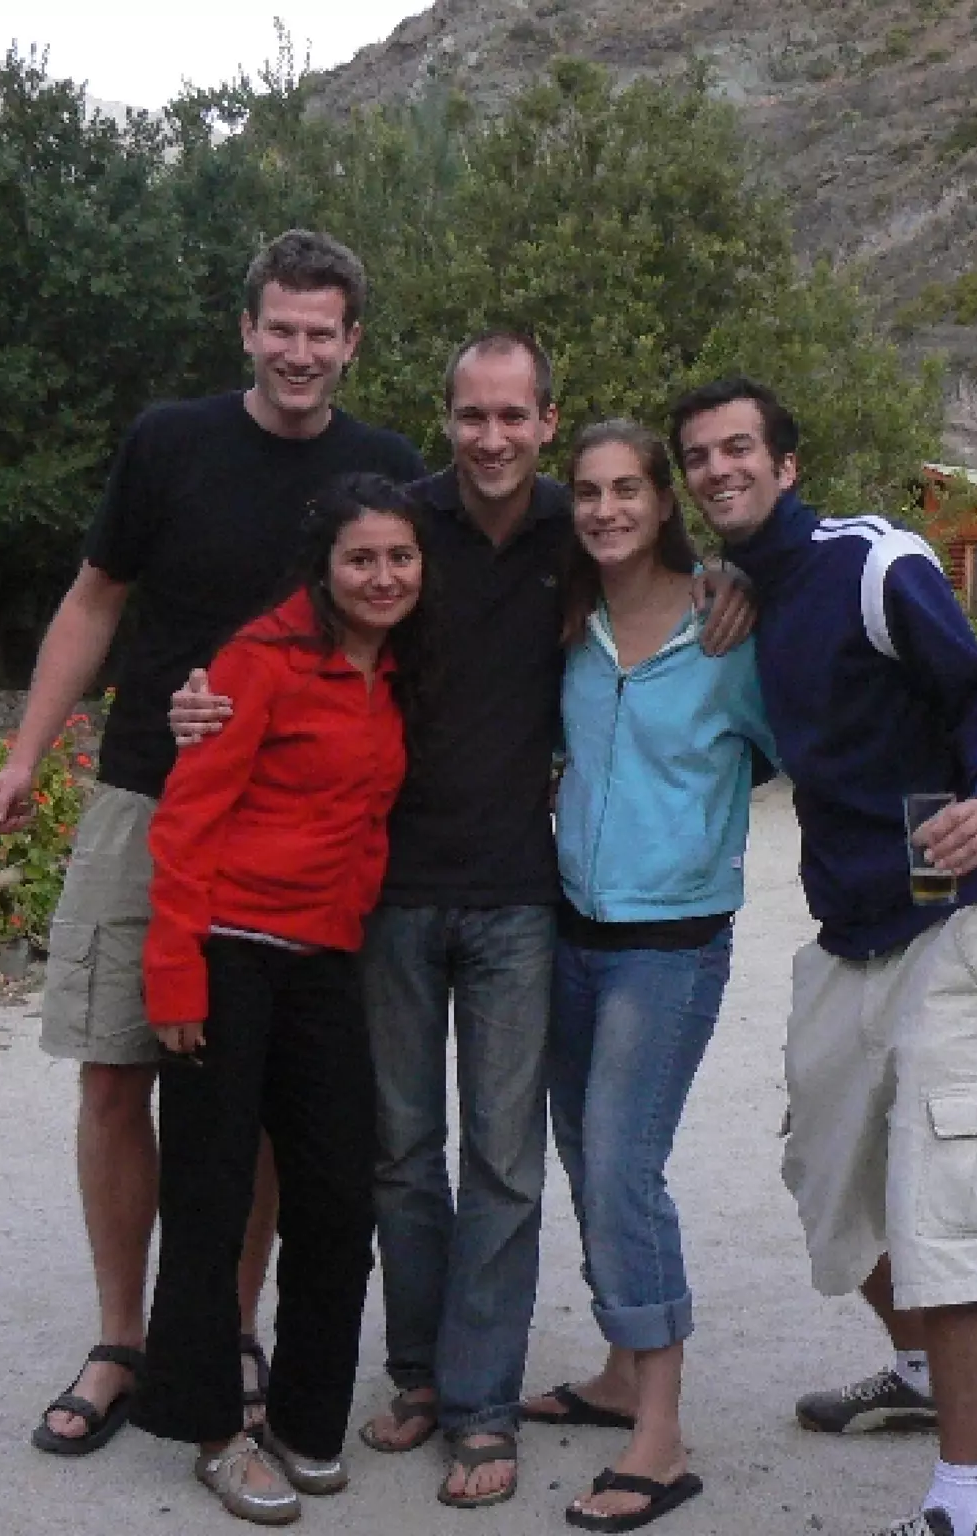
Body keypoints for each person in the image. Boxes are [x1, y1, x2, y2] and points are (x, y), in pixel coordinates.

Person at [173, 333, 757, 1509]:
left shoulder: (572, 529)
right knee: (400, 1158)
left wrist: (733, 575)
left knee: (502, 1163)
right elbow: (298, 616)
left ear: (545, 419)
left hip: (516, 898)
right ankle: (422, 1374)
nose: (491, 438)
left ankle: (482, 1404)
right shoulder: (406, 525)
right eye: (471, 416)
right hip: (389, 894)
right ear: (445, 419)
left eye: (512, 416)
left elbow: (664, 553)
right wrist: (204, 691)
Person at [0, 229, 425, 1459]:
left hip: (292, 838)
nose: (298, 352)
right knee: (113, 1072)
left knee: (262, 1103)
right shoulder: (169, 442)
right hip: (146, 795)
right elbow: (94, 599)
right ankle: (123, 1338)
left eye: (320, 333)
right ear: (246, 330)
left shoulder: (384, 468)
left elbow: (446, 604)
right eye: (279, 328)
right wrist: (24, 754)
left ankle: (221, 1330)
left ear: (351, 342)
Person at [669, 377, 977, 1536]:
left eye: (738, 447)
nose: (717, 468)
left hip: (961, 923)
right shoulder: (747, 592)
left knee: (948, 1199)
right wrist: (725, 581)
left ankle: (961, 1502)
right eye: (697, 456)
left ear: (785, 464)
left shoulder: (875, 563)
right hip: (850, 936)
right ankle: (917, 1373)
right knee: (826, 1181)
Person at [132, 476, 429, 1525]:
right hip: (225, 954)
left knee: (338, 1201)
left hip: (324, 961)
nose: (383, 576)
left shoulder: (399, 667)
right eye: (362, 558)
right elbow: (186, 818)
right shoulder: (257, 661)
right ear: (325, 567)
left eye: (401, 557)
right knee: (209, 1199)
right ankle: (214, 1431)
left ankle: (305, 1417)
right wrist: (173, 970)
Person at [520, 421, 778, 1532]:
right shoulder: (569, 624)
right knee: (586, 1155)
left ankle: (660, 1434)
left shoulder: (726, 631)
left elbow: (792, 746)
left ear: (663, 502)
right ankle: (624, 1370)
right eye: (587, 491)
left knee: (626, 1164)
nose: (606, 509)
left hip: (670, 945)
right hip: (570, 928)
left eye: (628, 488)